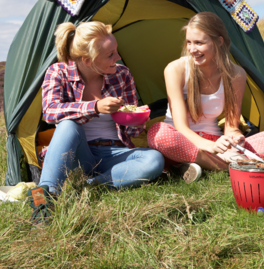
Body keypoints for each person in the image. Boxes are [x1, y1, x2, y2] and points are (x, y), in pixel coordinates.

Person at [26, 21, 165, 224]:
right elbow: (50, 111)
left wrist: (136, 120)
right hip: (76, 155)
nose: (117, 58)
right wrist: (95, 107)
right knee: (68, 125)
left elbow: (133, 132)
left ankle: (90, 185)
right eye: (110, 54)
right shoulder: (58, 72)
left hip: (114, 152)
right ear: (88, 60)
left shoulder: (122, 74)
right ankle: (43, 198)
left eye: (116, 51)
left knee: (154, 160)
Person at [147, 12, 264, 182]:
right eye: (189, 42)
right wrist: (210, 147)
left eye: (199, 43)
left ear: (219, 41)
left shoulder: (236, 74)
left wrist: (235, 137)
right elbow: (181, 127)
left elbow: (231, 124)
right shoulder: (175, 69)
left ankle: (187, 165)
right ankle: (225, 166)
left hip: (216, 142)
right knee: (158, 133)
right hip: (181, 139)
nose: (192, 49)